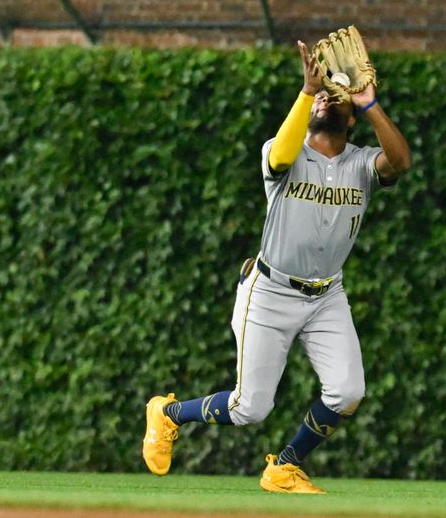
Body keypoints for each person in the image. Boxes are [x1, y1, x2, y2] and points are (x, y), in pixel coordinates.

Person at [142, 39, 411, 494]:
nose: (326, 98)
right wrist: (308, 91)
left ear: (350, 118)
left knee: (347, 392)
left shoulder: (362, 163)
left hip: (327, 296)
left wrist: (370, 103)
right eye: (320, 97)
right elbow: (281, 154)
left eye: (334, 97)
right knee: (251, 408)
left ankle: (285, 466)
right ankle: (166, 414)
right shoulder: (284, 151)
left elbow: (400, 162)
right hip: (269, 291)